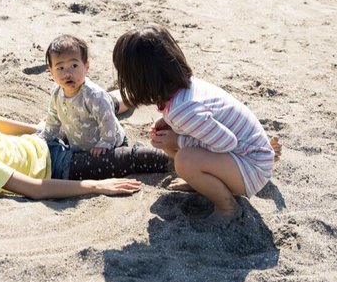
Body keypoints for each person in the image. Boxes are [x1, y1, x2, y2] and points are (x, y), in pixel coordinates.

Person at [0, 58, 170, 200]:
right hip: (59, 166)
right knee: (131, 158)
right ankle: (179, 158)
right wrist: (96, 187)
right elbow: (36, 188)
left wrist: (40, 129)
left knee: (91, 105)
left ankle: (133, 96)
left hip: (44, 140)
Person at [112, 24, 280, 223]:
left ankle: (228, 207)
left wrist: (178, 140)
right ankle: (202, 181)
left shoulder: (184, 109)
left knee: (185, 160)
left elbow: (227, 143)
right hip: (245, 157)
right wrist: (167, 123)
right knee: (178, 149)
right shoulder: (182, 90)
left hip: (252, 169)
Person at [39, 34, 126, 157]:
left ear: (86, 66)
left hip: (109, 145)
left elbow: (107, 120)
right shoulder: (57, 92)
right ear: (51, 71)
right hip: (78, 145)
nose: (68, 73)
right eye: (60, 68)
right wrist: (46, 136)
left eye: (74, 66)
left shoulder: (94, 95)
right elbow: (53, 118)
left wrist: (105, 142)